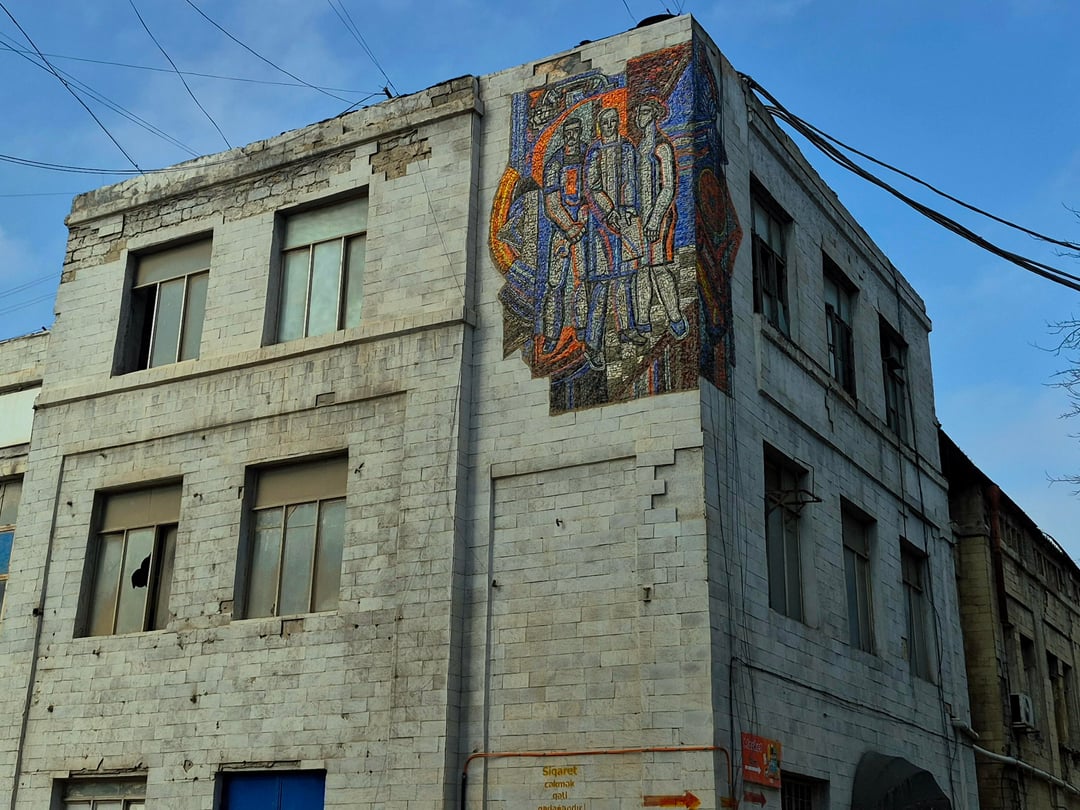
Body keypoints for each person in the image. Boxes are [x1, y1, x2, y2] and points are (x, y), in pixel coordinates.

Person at [583, 106, 642, 370]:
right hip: (602, 227)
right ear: (600, 125)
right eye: (605, 122)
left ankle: (626, 328)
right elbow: (592, 186)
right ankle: (593, 343)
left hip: (625, 222)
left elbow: (632, 179)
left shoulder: (627, 147)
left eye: (613, 121)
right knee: (602, 285)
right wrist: (610, 212)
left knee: (626, 279)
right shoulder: (594, 152)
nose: (610, 125)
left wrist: (627, 209)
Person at [633, 98, 687, 340]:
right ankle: (642, 320)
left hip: (659, 215)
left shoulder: (661, 146)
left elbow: (668, 187)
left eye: (644, 112)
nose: (639, 117)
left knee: (658, 267)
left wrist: (655, 218)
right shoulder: (639, 147)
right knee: (641, 269)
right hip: (639, 217)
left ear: (653, 115)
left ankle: (674, 316)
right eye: (638, 113)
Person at [540, 117, 588, 353]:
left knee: (582, 279)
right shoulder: (554, 163)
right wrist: (569, 228)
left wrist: (584, 219)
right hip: (562, 231)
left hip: (584, 229)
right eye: (567, 133)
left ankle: (583, 331)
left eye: (575, 131)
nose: (571, 136)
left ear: (580, 132)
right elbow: (551, 203)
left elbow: (594, 190)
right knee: (555, 283)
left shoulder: (589, 155)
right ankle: (551, 334)